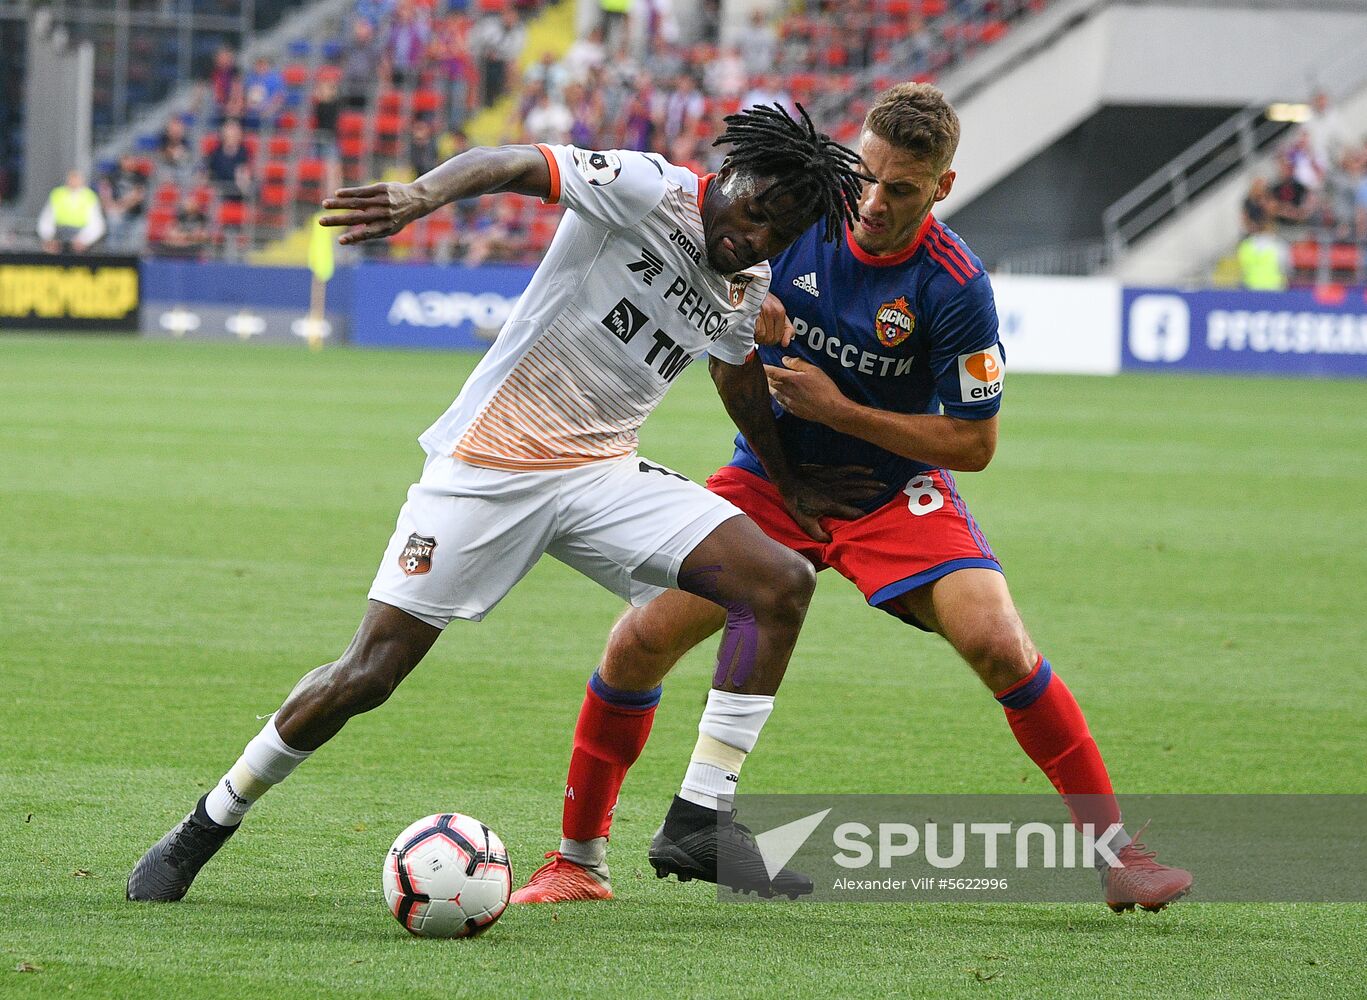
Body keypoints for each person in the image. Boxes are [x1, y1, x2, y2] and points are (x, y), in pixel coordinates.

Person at [126, 105, 870, 903]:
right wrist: (421, 196)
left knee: (778, 582)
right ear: (727, 180)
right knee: (368, 673)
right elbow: (515, 160)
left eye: (777, 233)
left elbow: (733, 374)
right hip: (489, 466)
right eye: (754, 211)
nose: (755, 239)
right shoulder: (652, 190)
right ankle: (208, 821)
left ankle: (699, 815)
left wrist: (784, 476)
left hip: (600, 474)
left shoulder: (742, 281)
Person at [511, 84, 1194, 913]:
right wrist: (752, 338)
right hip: (770, 481)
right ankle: (580, 860)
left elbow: (974, 444)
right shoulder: (799, 222)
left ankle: (1117, 854)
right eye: (865, 176)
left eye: (899, 188)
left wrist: (840, 411)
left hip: (886, 494)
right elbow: (717, 312)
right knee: (637, 643)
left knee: (999, 643)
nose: (872, 202)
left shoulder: (954, 288)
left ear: (940, 188)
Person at [37, 169, 105, 253]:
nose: (73, 181)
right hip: (59, 236)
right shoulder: (58, 194)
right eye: (71, 179)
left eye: (76, 179)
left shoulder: (90, 196)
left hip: (81, 237)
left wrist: (84, 240)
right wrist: (49, 238)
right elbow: (46, 219)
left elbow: (96, 224)